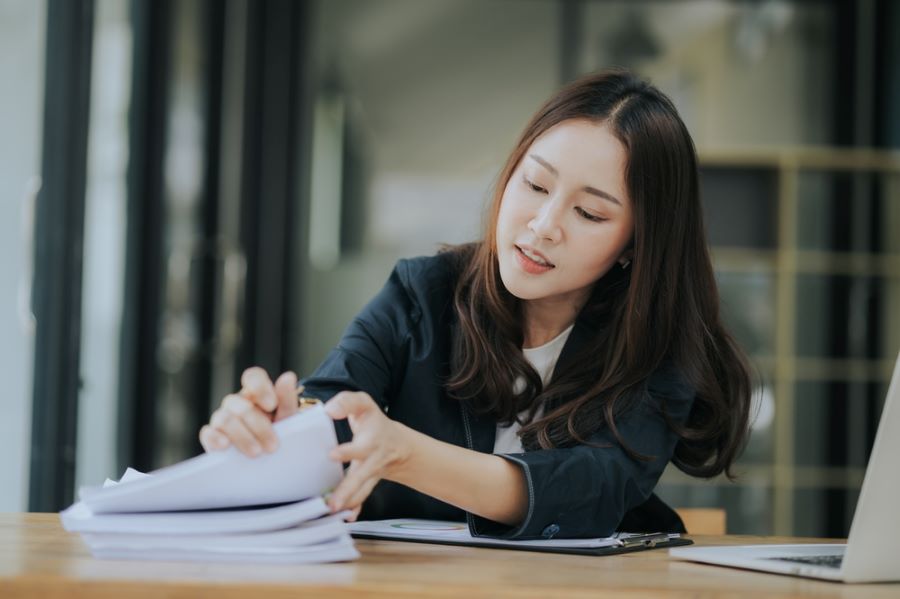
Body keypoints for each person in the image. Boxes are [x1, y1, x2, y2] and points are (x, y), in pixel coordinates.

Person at [199, 68, 752, 540]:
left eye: (589, 214)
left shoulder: (657, 343)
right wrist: (277, 428)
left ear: (636, 243)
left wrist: (405, 453)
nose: (543, 226)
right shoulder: (423, 292)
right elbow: (333, 409)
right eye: (535, 185)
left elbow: (593, 487)